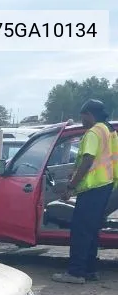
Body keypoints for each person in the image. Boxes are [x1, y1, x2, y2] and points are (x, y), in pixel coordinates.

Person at [52, 99, 117, 283]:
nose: (82, 122)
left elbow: (87, 160)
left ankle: (75, 272)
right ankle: (89, 269)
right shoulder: (109, 131)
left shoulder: (93, 132)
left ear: (89, 114)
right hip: (106, 186)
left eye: (83, 117)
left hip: (92, 188)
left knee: (80, 231)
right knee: (91, 230)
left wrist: (71, 187)